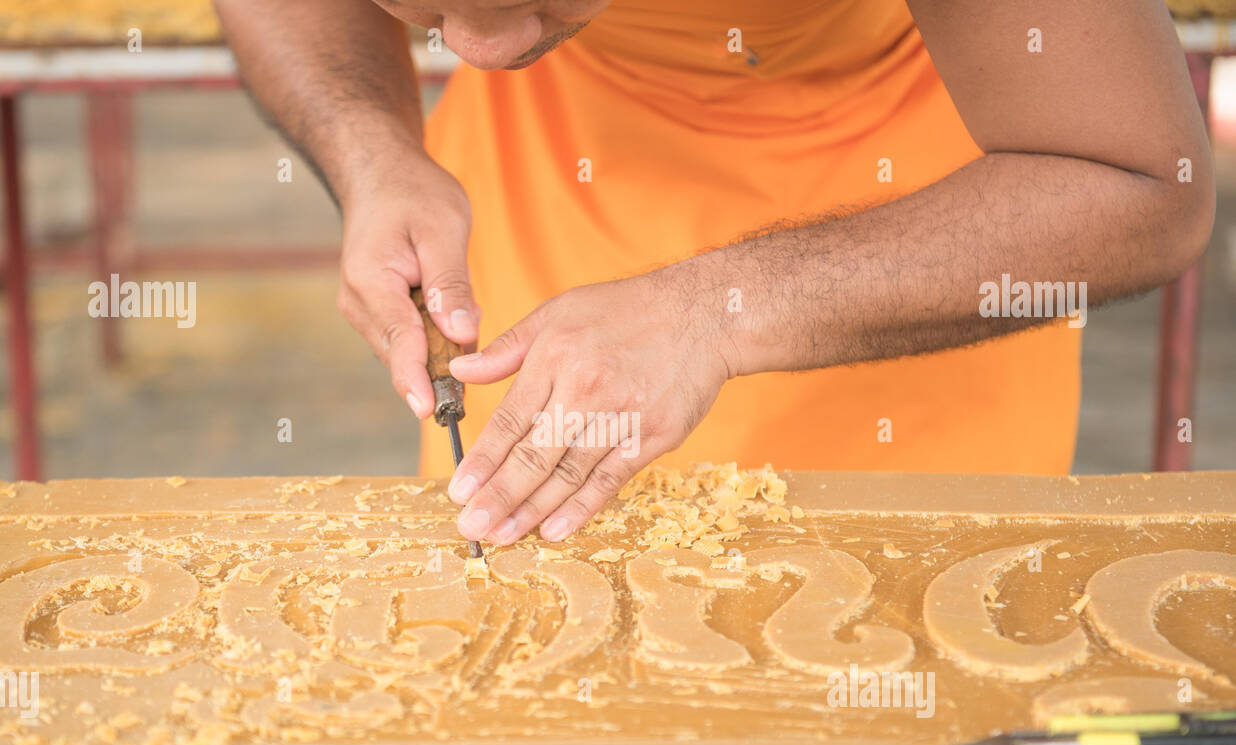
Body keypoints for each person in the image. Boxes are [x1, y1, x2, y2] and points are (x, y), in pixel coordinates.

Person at [217, 0, 1214, 545]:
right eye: (434, 6)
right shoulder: (497, 37)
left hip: (912, 228)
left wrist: (715, 311)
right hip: (551, 187)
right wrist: (373, 149)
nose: (481, 48)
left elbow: (1140, 181)